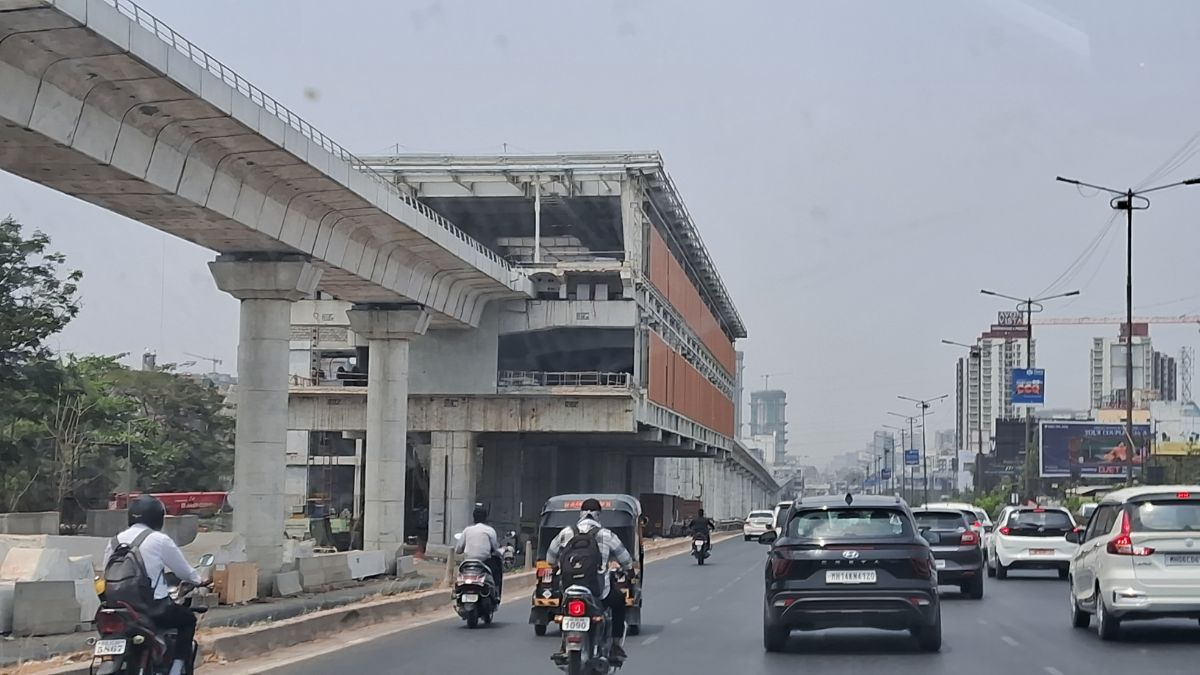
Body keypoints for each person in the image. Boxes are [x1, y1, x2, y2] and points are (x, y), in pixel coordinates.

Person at [102, 495, 205, 675]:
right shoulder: (159, 539)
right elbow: (184, 571)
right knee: (188, 619)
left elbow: (105, 570)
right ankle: (176, 668)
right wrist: (199, 580)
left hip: (117, 610)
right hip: (151, 608)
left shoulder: (114, 541)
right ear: (157, 517)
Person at [546, 498, 635, 663]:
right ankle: (615, 645)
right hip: (598, 590)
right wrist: (629, 572)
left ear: (580, 513)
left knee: (563, 607)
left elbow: (550, 557)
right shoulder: (606, 535)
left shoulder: (566, 532)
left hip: (568, 588)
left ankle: (564, 644)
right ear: (598, 515)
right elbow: (626, 560)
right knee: (618, 602)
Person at [454, 504, 504, 601]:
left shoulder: (467, 530)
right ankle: (496, 595)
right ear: (486, 518)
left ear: (473, 518)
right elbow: (495, 549)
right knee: (497, 570)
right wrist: (502, 551)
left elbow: (458, 550)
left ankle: (457, 594)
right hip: (484, 563)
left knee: (459, 575)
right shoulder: (490, 531)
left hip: (467, 563)